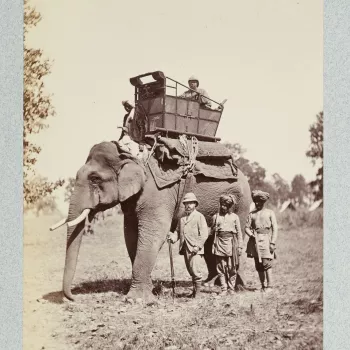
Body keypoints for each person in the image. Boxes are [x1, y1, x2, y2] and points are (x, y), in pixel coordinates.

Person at [167, 192, 209, 298]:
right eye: (186, 203)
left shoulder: (199, 217)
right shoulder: (182, 218)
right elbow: (177, 232)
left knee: (196, 271)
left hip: (195, 248)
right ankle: (194, 292)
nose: (188, 205)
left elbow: (204, 233)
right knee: (191, 270)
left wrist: (198, 246)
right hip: (185, 248)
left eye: (190, 203)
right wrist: (173, 238)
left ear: (195, 204)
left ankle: (198, 294)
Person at [245, 190, 278, 292]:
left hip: (266, 241)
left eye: (259, 201)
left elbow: (275, 228)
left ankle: (270, 286)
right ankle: (262, 285)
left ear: (263, 202)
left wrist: (272, 242)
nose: (257, 203)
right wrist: (251, 235)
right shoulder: (252, 214)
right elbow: (246, 227)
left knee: (266, 263)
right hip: (255, 242)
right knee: (258, 264)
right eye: (255, 202)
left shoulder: (270, 213)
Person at [211, 194, 243, 295]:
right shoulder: (215, 217)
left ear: (229, 207)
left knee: (231, 267)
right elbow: (211, 231)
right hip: (219, 244)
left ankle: (231, 288)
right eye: (222, 205)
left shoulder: (234, 217)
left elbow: (239, 233)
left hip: (231, 244)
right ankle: (224, 289)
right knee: (220, 267)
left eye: (226, 205)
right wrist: (213, 229)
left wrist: (240, 246)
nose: (223, 207)